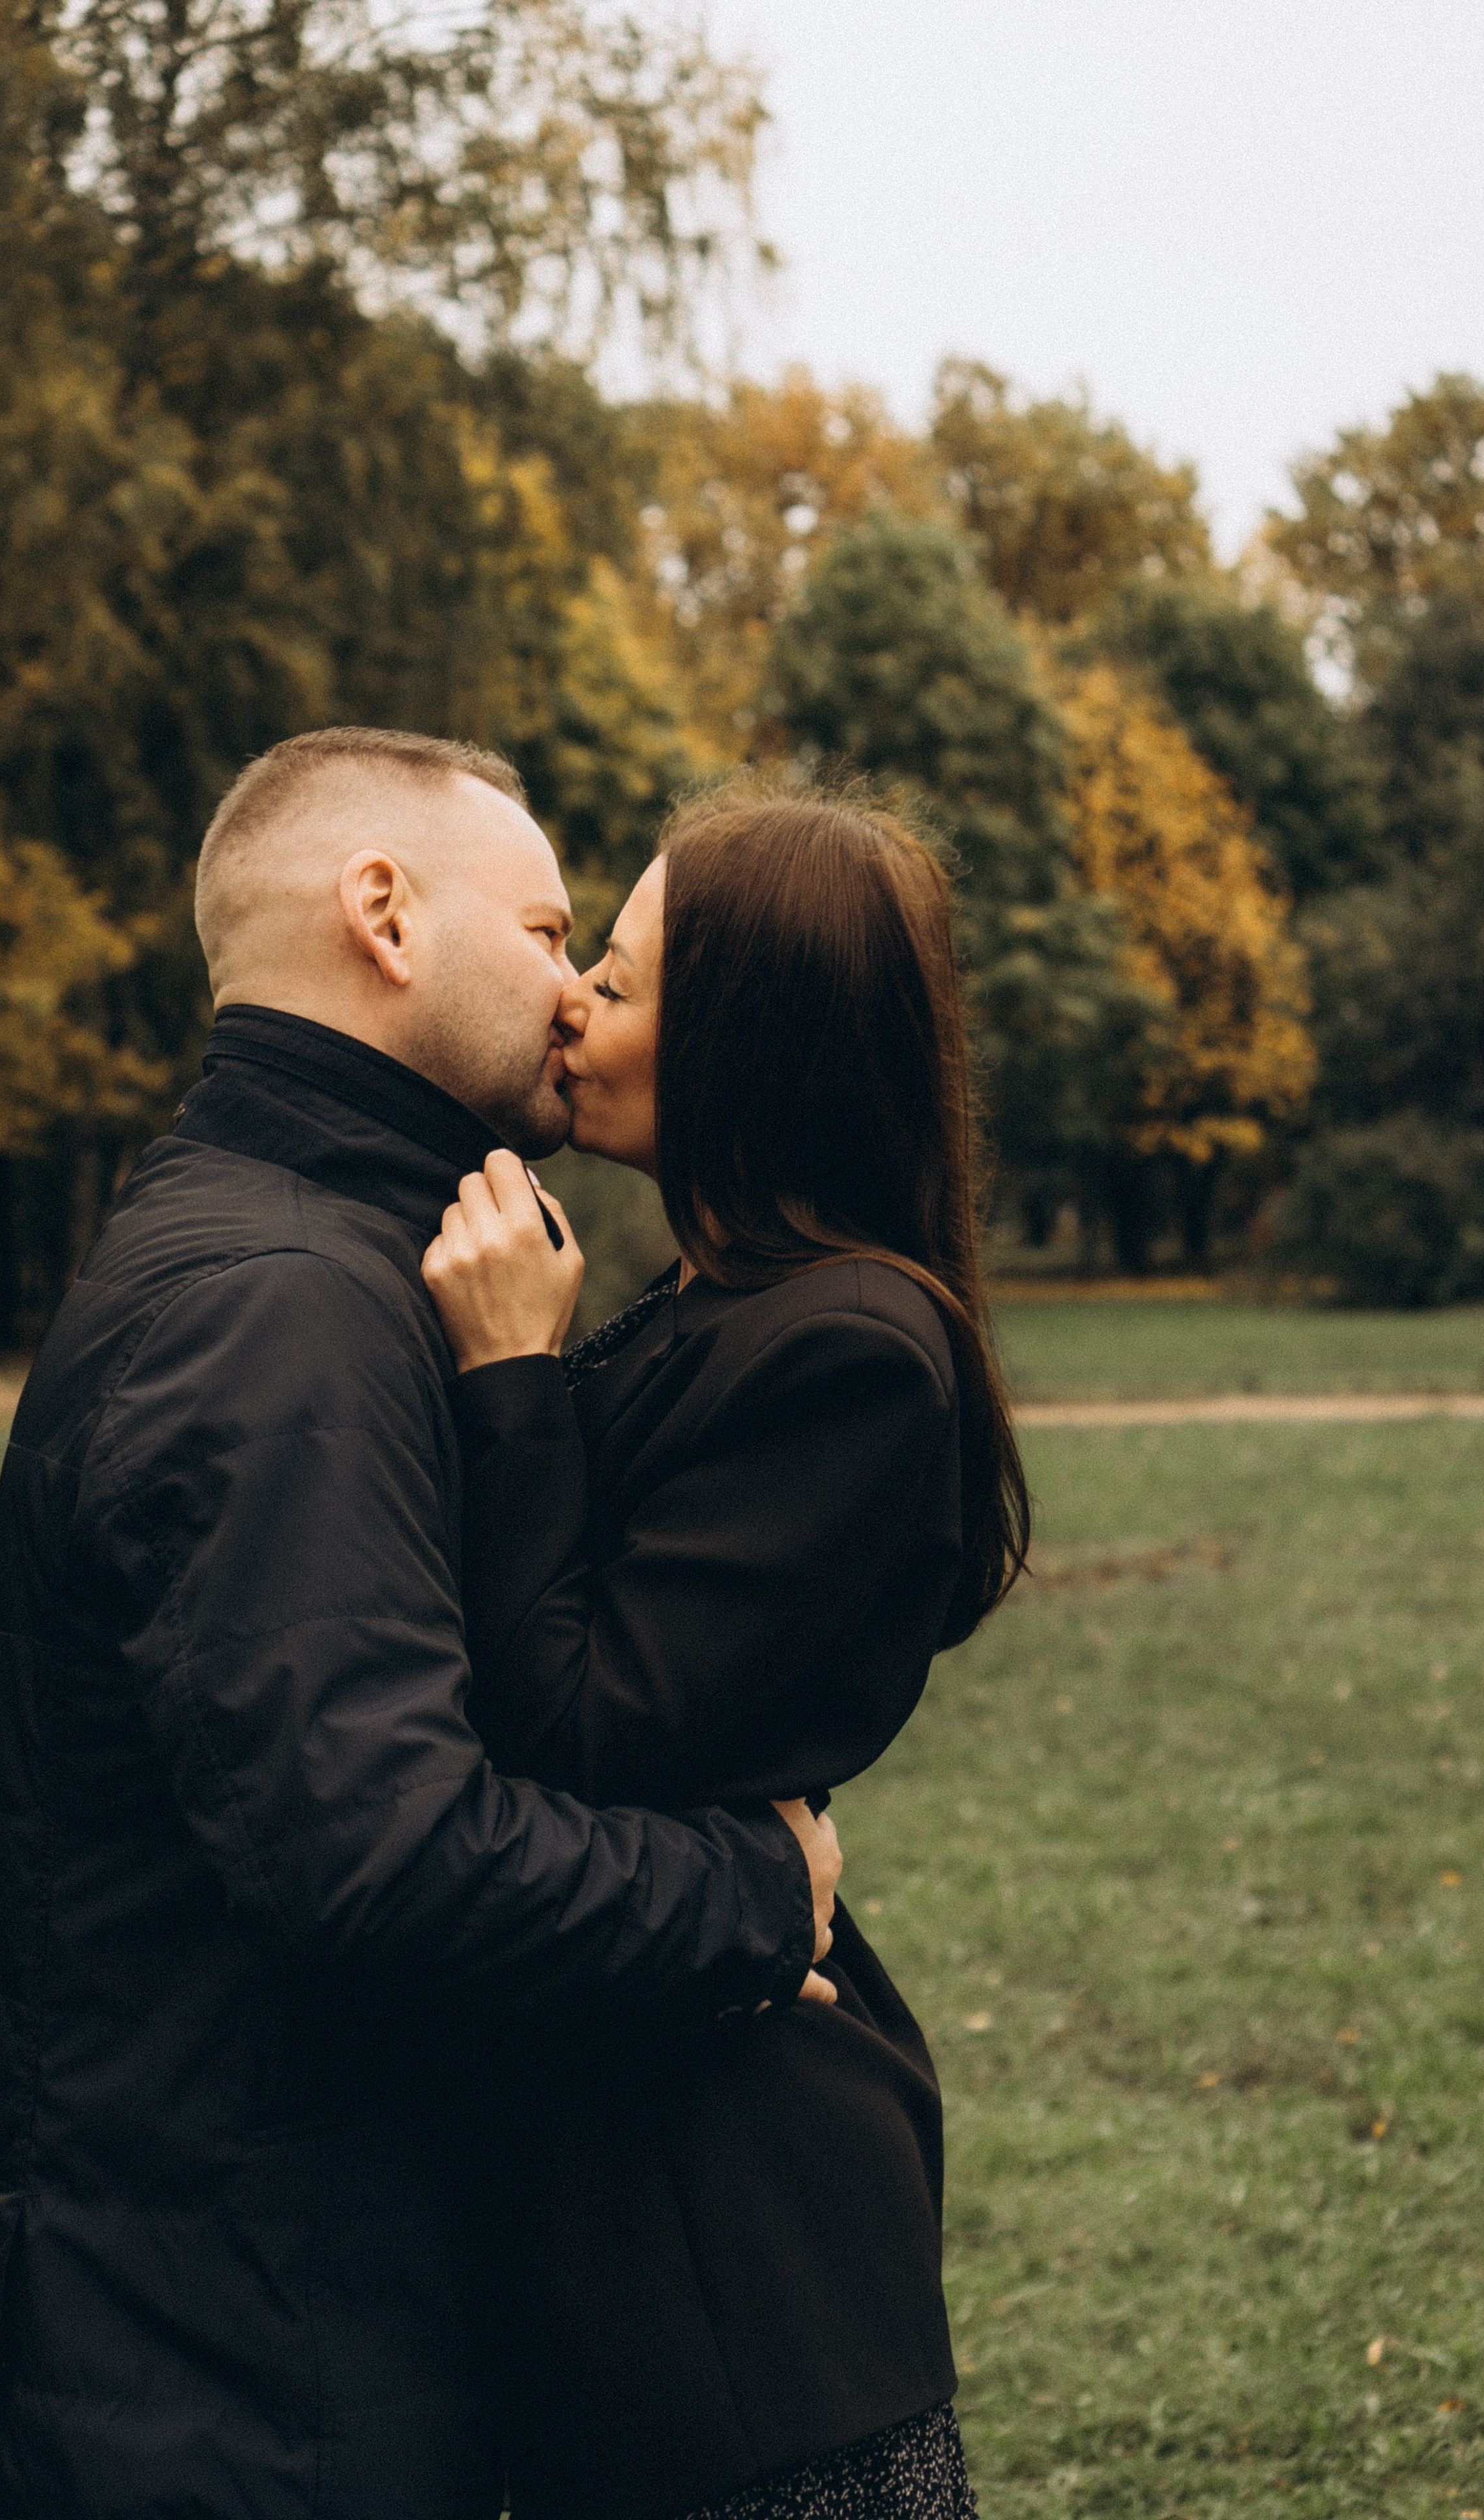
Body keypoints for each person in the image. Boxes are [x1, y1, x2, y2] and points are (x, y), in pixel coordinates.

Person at [0, 728, 844, 2520]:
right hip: (226, 2400)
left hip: (258, 2343)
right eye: (546, 925)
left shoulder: (317, 1247)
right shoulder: (280, 1303)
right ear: (384, 915)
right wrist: (751, 1893)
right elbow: (380, 1856)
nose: (578, 984)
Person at [421, 785, 1030, 2520]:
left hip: (741, 2272)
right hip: (630, 2186)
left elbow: (573, 1730)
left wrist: (512, 1386)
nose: (568, 1007)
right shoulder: (711, 1310)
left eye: (611, 979)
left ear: (746, 1039)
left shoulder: (852, 1349)